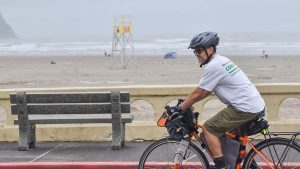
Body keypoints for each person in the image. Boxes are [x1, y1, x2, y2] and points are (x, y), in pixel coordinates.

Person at [170, 32, 265, 169]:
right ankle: (252, 166)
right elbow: (205, 91)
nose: (196, 54)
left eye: (198, 50)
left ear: (210, 49)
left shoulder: (214, 66)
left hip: (244, 108)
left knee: (209, 129)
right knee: (233, 139)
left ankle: (221, 167)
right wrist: (187, 103)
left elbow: (199, 92)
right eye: (194, 51)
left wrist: (180, 108)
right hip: (252, 104)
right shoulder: (221, 60)